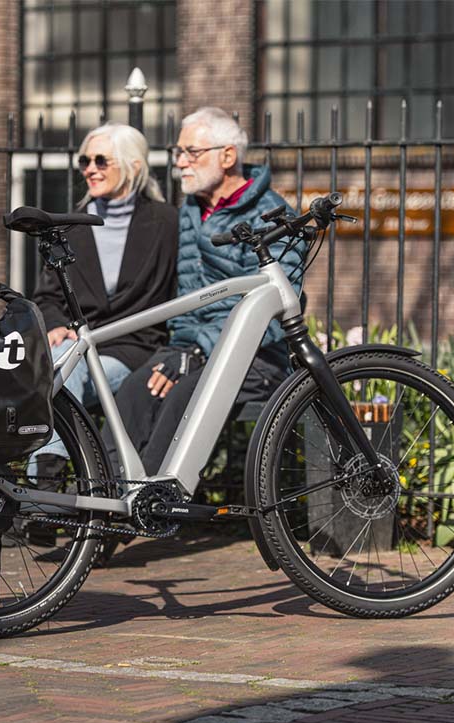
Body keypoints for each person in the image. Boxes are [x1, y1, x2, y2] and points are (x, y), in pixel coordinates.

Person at [106, 107, 307, 477]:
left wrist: (201, 349)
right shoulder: (192, 209)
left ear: (227, 156)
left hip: (255, 356)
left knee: (186, 396)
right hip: (189, 349)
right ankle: (103, 496)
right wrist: (184, 350)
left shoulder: (273, 216)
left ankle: (152, 496)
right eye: (177, 152)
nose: (180, 162)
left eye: (190, 152)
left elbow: (277, 307)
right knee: (136, 391)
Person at [31, 122, 179, 471]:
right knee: (65, 359)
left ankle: (47, 477)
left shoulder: (168, 223)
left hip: (132, 348)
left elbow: (183, 289)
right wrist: (54, 325)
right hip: (76, 345)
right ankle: (51, 474)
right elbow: (47, 296)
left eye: (101, 161)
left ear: (134, 166)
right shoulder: (69, 225)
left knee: (65, 369)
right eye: (84, 161)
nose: (90, 170)